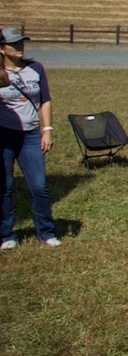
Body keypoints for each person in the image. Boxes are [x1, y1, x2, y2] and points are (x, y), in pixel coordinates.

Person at [1, 27, 60, 249]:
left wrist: (47, 129)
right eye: (14, 44)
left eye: (22, 42)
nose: (20, 46)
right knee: (4, 186)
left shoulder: (35, 69)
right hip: (4, 135)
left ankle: (46, 232)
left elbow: (45, 99)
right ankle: (6, 235)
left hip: (31, 135)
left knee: (39, 186)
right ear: (1, 48)